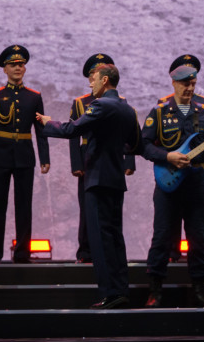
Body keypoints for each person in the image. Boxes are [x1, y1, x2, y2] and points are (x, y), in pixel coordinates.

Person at [37, 63, 142, 308]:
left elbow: (72, 129)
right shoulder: (128, 109)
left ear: (105, 80)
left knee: (100, 239)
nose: (90, 83)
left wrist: (48, 123)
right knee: (115, 237)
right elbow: (135, 145)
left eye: (93, 78)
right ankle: (121, 290)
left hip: (97, 180)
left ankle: (109, 294)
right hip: (116, 181)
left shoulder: (100, 105)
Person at [142, 63, 204, 308]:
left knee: (197, 237)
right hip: (167, 184)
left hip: (196, 182)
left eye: (193, 84)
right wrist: (167, 156)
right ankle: (155, 291)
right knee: (161, 236)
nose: (189, 88)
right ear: (174, 83)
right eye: (184, 84)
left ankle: (199, 291)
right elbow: (144, 145)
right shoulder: (159, 111)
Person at [0, 45, 50, 264]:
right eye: (13, 65)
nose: (17, 68)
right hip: (0, 154)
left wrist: (45, 158)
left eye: (20, 64)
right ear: (5, 69)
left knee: (24, 206)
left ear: (25, 68)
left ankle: (22, 254)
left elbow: (41, 131)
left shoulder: (34, 97)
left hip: (25, 155)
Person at [69, 53, 135, 263]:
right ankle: (85, 251)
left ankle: (109, 254)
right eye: (92, 74)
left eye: (97, 74)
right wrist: (76, 164)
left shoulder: (121, 102)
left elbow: (129, 134)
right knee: (86, 207)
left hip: (111, 157)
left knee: (111, 212)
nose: (93, 78)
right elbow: (73, 134)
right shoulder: (81, 102)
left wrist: (129, 161)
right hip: (87, 158)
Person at [158, 54, 204, 263]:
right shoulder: (163, 105)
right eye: (184, 77)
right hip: (173, 171)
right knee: (167, 223)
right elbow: (156, 142)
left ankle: (198, 267)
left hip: (197, 172)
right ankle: (172, 253)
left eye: (192, 78)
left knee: (197, 226)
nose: (189, 82)